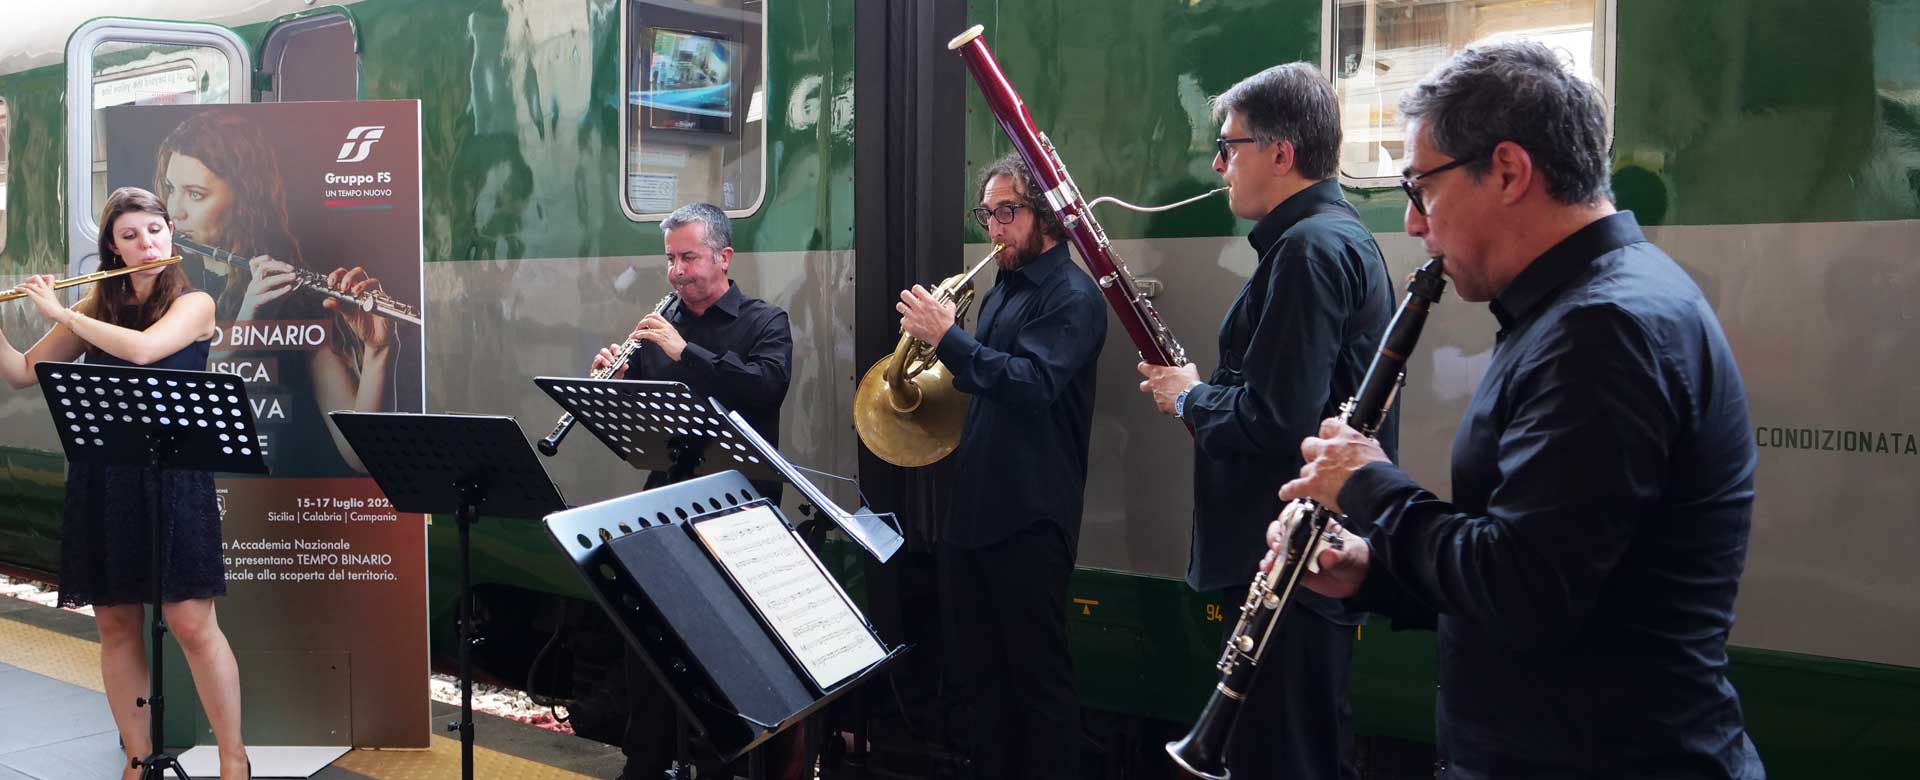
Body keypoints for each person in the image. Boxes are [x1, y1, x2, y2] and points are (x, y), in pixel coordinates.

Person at [1273, 42, 1767, 778]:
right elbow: (1541, 562)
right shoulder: (1585, 306)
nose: (1414, 223)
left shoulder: (1606, 331)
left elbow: (1527, 590)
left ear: (1507, 170)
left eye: (1421, 189)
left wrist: (1369, 484)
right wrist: (1374, 569)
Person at [1135, 63, 1396, 779]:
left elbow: (1281, 420)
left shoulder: (1309, 251)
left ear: (1282, 154)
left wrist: (1191, 396)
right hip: (1302, 562)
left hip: (1294, 566)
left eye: (1230, 146)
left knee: (1287, 759)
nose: (1219, 165)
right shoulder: (1321, 240)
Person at [0, 187, 250, 780]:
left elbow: (143, 352)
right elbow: (18, 374)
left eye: (156, 230)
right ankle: (137, 758)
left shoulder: (196, 303)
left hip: (173, 477)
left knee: (192, 622)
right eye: (131, 235)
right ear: (112, 247)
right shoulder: (95, 309)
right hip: (106, 478)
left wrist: (63, 314)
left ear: (170, 235)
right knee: (115, 623)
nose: (147, 244)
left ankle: (233, 759)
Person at [895, 152, 1108, 779]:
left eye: (1007, 212)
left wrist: (948, 339)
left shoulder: (1072, 297)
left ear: (1046, 215)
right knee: (982, 682)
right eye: (987, 213)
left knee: (1038, 685)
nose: (994, 229)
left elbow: (1032, 383)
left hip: (1030, 516)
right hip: (976, 512)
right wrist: (931, 364)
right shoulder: (998, 294)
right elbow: (982, 385)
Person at [590, 202, 796, 780]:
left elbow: (766, 387)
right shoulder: (657, 327)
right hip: (665, 498)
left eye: (689, 256)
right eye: (670, 259)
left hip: (736, 507)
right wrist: (617, 385)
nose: (677, 271)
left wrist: (687, 353)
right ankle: (646, 759)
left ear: (724, 257)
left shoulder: (764, 322)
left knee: (723, 644)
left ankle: (721, 761)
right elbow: (641, 427)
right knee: (648, 631)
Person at [154, 109, 397, 475]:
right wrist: (245, 324)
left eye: (196, 195)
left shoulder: (291, 298)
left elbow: (361, 457)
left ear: (245, 199)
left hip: (276, 510)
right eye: (171, 189)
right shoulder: (161, 286)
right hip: (187, 497)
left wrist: (379, 352)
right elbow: (173, 410)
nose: (175, 211)